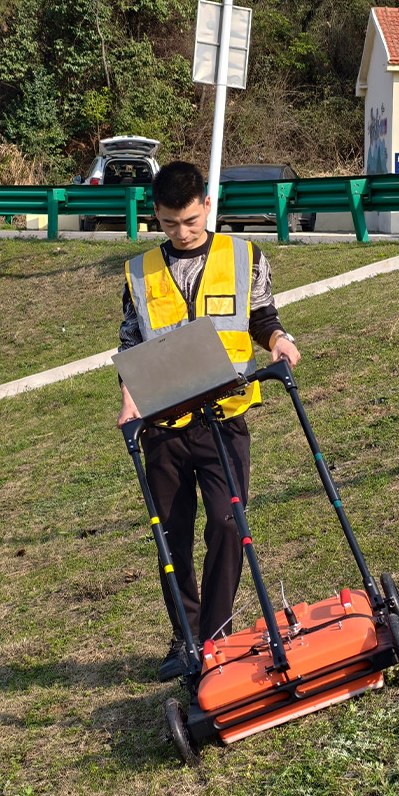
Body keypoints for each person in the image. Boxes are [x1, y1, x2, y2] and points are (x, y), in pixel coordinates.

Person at [117, 161, 301, 681]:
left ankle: (216, 638)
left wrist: (280, 341)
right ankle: (185, 640)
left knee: (226, 522)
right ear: (157, 214)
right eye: (171, 223)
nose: (182, 232)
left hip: (224, 419)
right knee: (171, 537)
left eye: (191, 222)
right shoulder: (139, 271)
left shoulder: (244, 257)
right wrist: (130, 399)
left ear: (207, 206)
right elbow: (131, 343)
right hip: (164, 427)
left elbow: (262, 316)